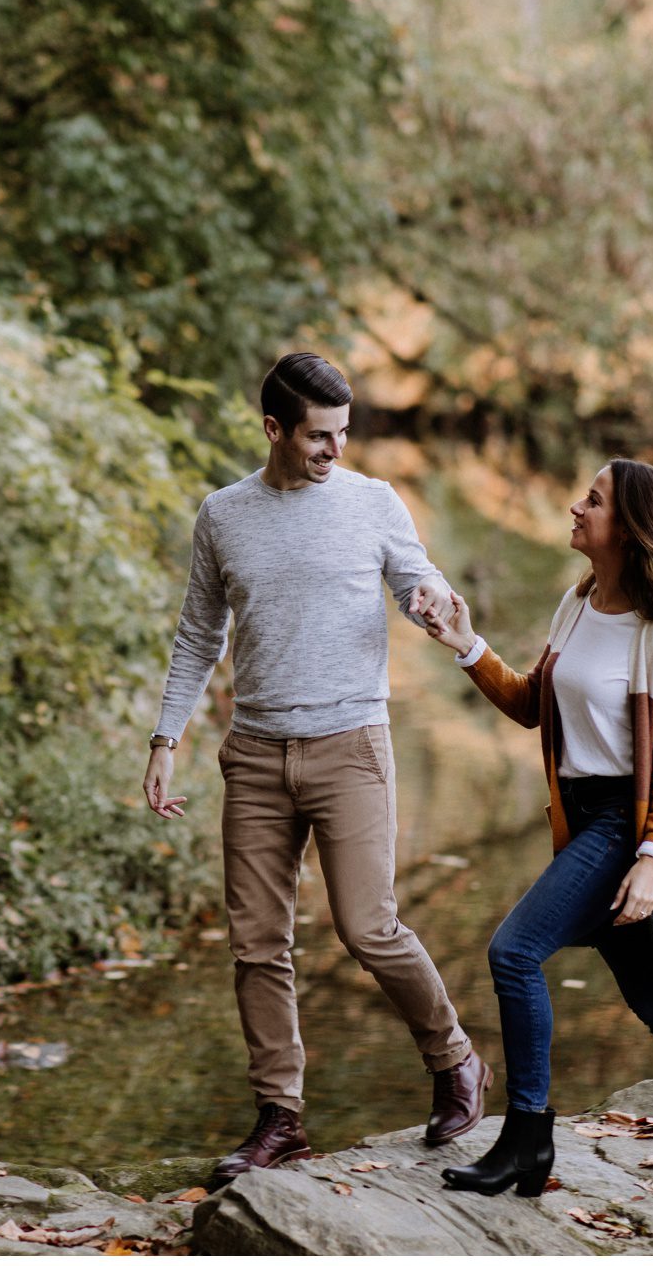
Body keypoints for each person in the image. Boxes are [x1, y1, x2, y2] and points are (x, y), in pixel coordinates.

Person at [144, 351, 491, 1182]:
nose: (335, 449)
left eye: (343, 433)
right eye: (318, 436)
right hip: (257, 755)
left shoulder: (372, 503)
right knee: (257, 945)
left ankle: (455, 1060)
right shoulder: (224, 515)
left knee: (369, 927)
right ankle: (281, 1117)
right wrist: (165, 739)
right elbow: (199, 634)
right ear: (273, 429)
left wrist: (436, 603)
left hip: (351, 747)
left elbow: (417, 579)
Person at [421, 459, 653, 1211]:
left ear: (630, 528)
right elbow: (533, 704)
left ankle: (528, 1134)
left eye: (593, 499)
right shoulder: (580, 601)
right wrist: (466, 643)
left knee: (513, 953)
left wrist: (652, 858)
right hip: (583, 819)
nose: (575, 505)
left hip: (627, 824)